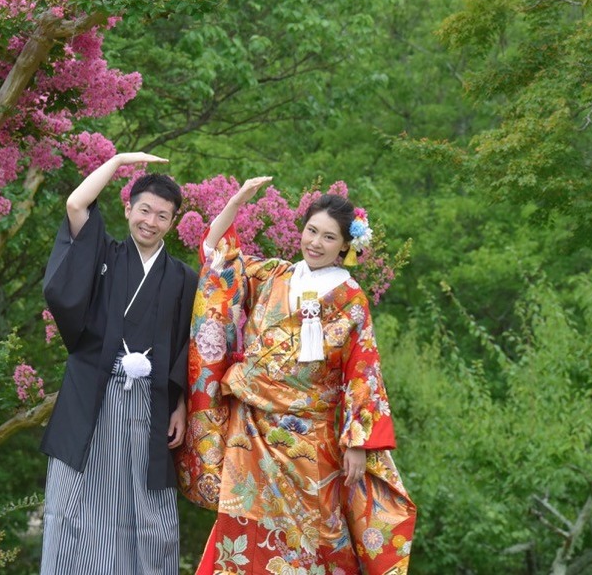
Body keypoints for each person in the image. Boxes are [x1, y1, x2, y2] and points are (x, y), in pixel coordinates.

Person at [176, 177, 416, 575]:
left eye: (328, 237)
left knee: (315, 532)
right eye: (311, 231)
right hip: (251, 429)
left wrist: (358, 441)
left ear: (345, 245)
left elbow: (363, 369)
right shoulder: (274, 274)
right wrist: (236, 203)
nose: (316, 243)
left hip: (311, 436)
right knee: (240, 526)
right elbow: (216, 256)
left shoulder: (350, 299)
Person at [39, 152, 199, 575]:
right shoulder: (103, 254)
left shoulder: (184, 278)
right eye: (143, 209)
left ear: (173, 222)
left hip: (151, 407)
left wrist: (181, 403)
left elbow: (189, 345)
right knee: (77, 501)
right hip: (93, 394)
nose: (151, 221)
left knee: (148, 515)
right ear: (127, 208)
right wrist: (118, 161)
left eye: (162, 215)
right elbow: (76, 205)